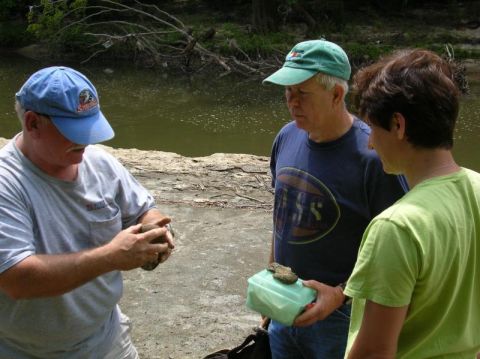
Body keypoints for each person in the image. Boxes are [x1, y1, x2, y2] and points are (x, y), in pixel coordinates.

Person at [0, 66, 175, 358]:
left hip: (107, 340)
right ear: (32, 123)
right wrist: (112, 257)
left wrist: (155, 230)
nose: (87, 141)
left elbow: (144, 210)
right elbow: (17, 279)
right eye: (74, 131)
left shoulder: (99, 163)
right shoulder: (8, 183)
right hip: (26, 351)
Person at [262, 39, 407, 358]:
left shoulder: (374, 156)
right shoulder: (286, 136)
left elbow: (397, 251)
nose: (292, 102)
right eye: (287, 92)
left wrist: (342, 295)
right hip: (284, 301)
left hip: (341, 317)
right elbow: (280, 216)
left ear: (337, 95)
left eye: (302, 93)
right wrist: (269, 280)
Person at [338, 48, 480, 358]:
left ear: (398, 126)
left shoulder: (397, 227)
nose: (370, 143)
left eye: (373, 129)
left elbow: (373, 353)